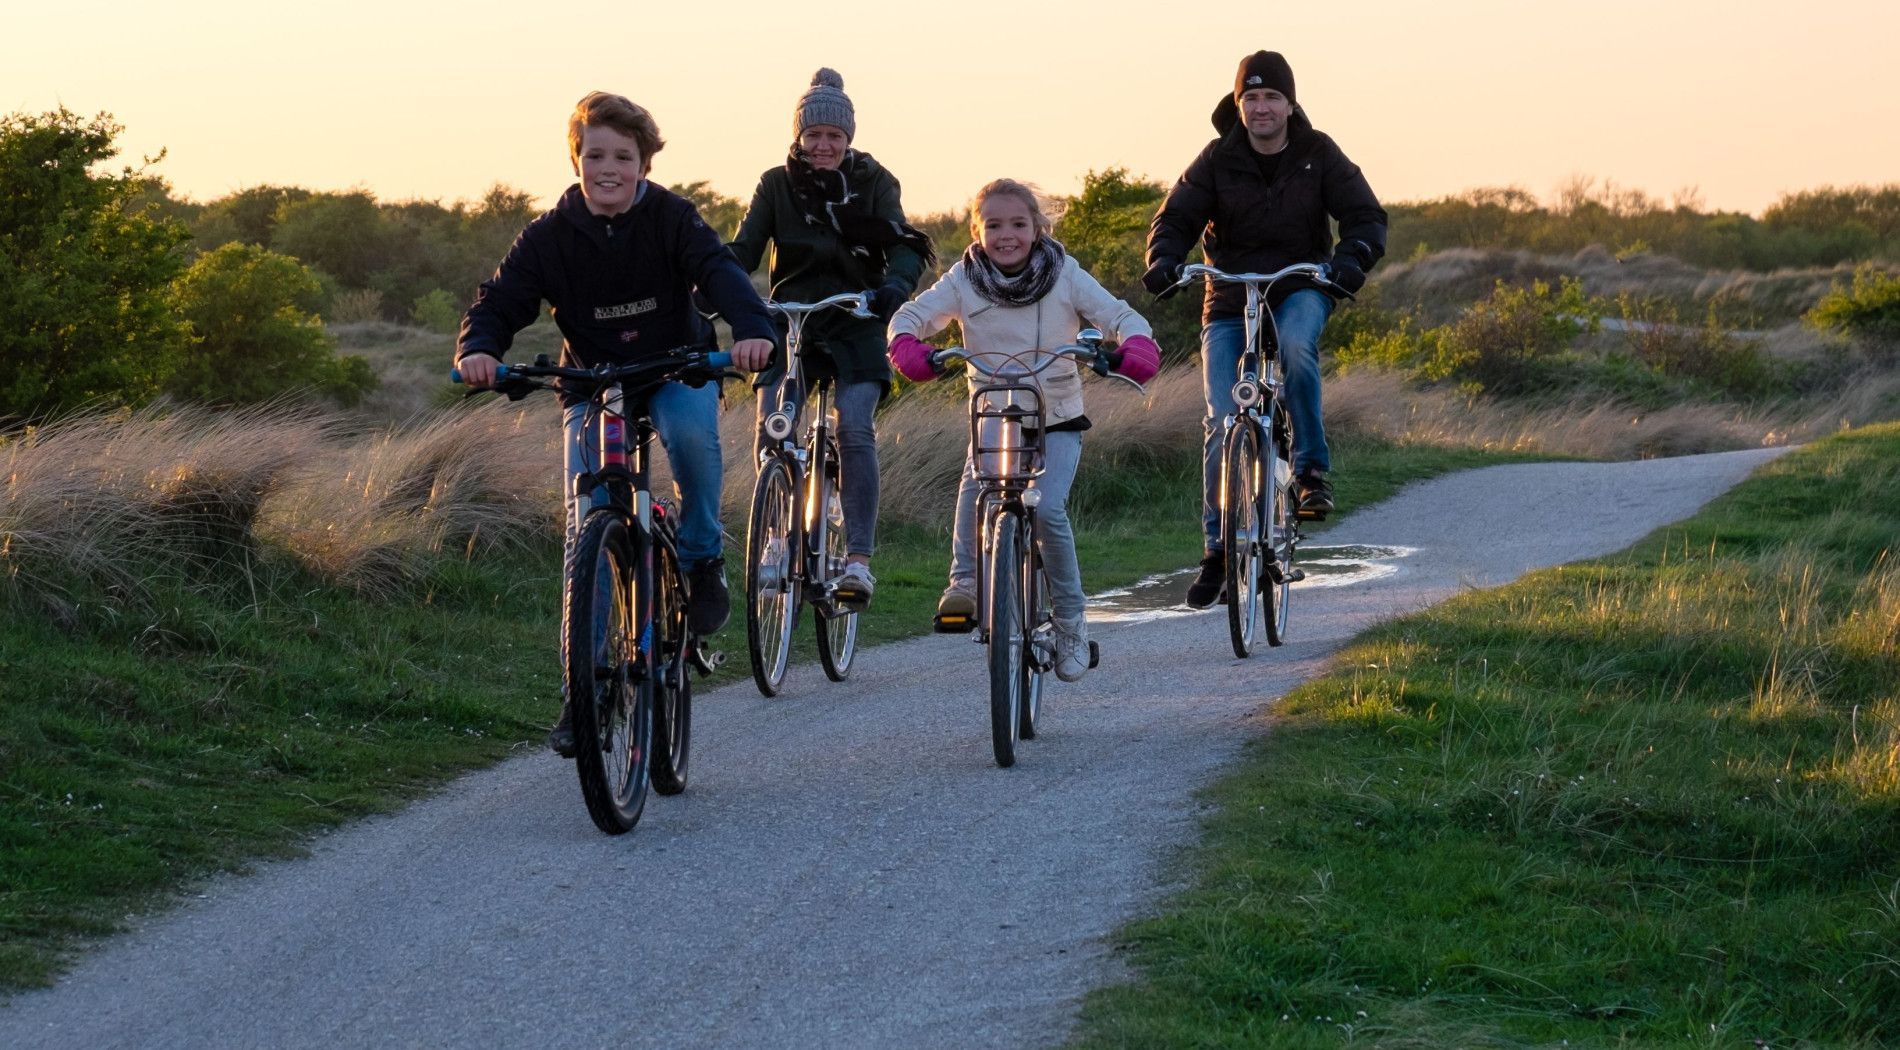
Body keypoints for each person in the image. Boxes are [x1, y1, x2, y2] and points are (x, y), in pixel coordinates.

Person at [454, 91, 776, 755]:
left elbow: (719, 272)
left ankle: (699, 553)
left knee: (690, 438)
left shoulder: (672, 219)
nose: (608, 167)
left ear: (644, 163)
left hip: (676, 366)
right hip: (592, 379)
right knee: (588, 519)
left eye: (622, 156)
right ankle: (584, 694)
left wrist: (750, 329)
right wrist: (479, 349)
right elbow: (504, 297)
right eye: (594, 154)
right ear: (576, 159)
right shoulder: (547, 236)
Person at [888, 179, 1161, 682]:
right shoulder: (963, 278)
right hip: (992, 415)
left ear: (1038, 228)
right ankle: (965, 581)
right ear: (977, 230)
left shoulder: (1064, 274)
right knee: (977, 487)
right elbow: (912, 316)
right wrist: (907, 343)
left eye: (1018, 224)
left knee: (1048, 508)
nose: (1006, 235)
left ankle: (1071, 623)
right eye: (993, 225)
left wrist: (1136, 343)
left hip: (1055, 415)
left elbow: (1119, 315)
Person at [1143, 50, 1387, 608]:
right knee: (1222, 418)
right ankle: (1215, 552)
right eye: (1250, 98)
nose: (1261, 107)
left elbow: (1366, 216)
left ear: (1290, 104)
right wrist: (1163, 258)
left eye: (1271, 97)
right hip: (1229, 295)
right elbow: (1175, 217)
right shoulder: (1215, 158)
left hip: (1300, 283)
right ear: (1238, 104)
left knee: (1298, 347)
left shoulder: (1318, 153)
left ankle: (1309, 472)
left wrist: (1351, 260)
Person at [726, 68, 934, 608]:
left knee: (856, 428)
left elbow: (905, 244)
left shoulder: (874, 181)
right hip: (791, 318)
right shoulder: (775, 184)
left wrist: (893, 287)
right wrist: (709, 276)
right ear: (798, 137)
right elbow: (745, 250)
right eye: (813, 136)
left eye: (834, 137)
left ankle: (859, 561)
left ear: (849, 139)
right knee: (773, 428)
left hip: (855, 317)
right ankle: (775, 540)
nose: (823, 146)